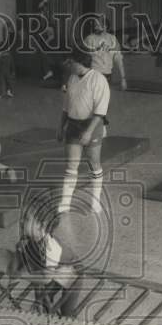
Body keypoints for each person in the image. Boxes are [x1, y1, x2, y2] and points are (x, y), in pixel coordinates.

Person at [58, 48, 111, 214]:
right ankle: (65, 202)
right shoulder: (72, 78)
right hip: (73, 124)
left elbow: (100, 112)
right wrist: (61, 127)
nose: (69, 64)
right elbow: (66, 106)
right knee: (71, 164)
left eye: (71, 62)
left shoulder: (99, 79)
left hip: (92, 124)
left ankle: (95, 201)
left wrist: (89, 132)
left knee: (93, 163)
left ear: (80, 62)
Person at [11, 198, 81, 316]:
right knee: (44, 301)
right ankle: (45, 317)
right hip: (55, 270)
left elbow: (46, 279)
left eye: (26, 219)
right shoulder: (29, 239)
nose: (21, 221)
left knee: (67, 313)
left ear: (41, 226)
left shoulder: (50, 249)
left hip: (73, 274)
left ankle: (67, 324)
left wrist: (23, 275)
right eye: (22, 217)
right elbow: (27, 261)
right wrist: (19, 250)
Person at [83, 15, 127, 91]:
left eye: (98, 25)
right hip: (94, 74)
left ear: (105, 26)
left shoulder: (113, 39)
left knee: (104, 97)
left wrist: (123, 79)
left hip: (108, 75)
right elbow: (82, 59)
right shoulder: (89, 39)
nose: (96, 27)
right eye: (95, 25)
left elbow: (118, 59)